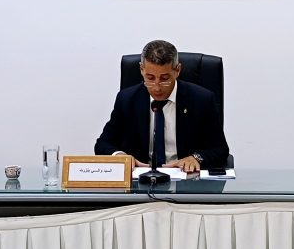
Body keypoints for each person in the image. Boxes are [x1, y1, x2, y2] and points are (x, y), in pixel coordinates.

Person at [95, 40, 229, 172]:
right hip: (142, 177)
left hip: (184, 176)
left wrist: (196, 158)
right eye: (150, 78)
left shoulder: (202, 99)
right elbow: (102, 144)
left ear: (177, 70)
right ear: (141, 70)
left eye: (165, 79)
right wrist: (120, 156)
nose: (157, 87)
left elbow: (220, 149)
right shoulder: (127, 99)